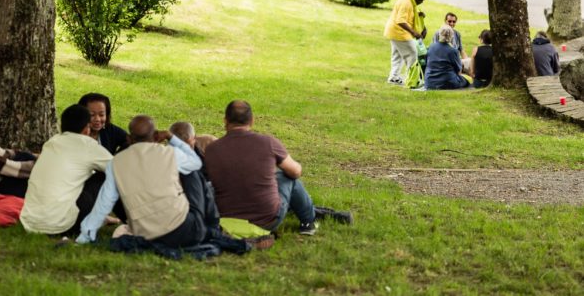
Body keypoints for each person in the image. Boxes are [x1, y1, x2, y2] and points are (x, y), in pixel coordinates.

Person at [205, 100, 352, 236]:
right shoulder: (268, 143)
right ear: (252, 120)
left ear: (225, 120)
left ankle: (314, 214)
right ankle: (308, 223)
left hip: (226, 220)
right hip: (267, 220)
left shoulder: (211, 149)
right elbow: (296, 171)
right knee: (287, 176)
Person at [77, 115, 220, 247]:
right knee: (191, 171)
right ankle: (213, 226)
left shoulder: (116, 163)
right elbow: (196, 163)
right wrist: (172, 138)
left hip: (146, 235)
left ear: (128, 139)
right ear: (157, 136)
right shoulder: (170, 153)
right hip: (185, 231)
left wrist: (86, 234)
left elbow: (105, 202)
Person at [20, 104, 113, 235]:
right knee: (105, 176)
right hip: (63, 226)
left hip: (30, 223)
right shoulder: (88, 145)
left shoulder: (52, 142)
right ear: (87, 128)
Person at [384, 0, 427, 85]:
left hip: (393, 32)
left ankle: (394, 77)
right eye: (421, 0)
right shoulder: (406, 3)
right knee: (412, 54)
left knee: (397, 56)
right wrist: (414, 33)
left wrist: (419, 15)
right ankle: (412, 80)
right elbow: (401, 21)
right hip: (399, 32)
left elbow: (411, 13)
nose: (422, 2)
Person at [424, 25, 471, 90]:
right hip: (447, 82)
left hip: (429, 82)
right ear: (451, 36)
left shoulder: (431, 47)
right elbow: (458, 69)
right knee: (465, 82)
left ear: (439, 34)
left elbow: (427, 63)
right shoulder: (453, 51)